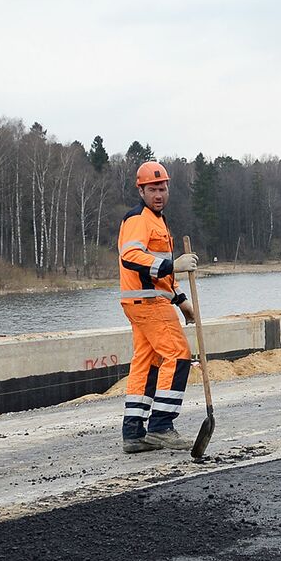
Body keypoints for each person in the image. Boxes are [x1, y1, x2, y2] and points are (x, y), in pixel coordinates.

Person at [115, 160, 199, 452]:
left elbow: (160, 275)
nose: (159, 194)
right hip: (147, 302)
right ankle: (161, 426)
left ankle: (134, 432)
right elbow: (132, 257)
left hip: (146, 300)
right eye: (152, 189)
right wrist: (171, 265)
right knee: (178, 355)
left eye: (162, 188)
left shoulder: (158, 220)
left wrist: (181, 299)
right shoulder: (138, 218)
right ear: (141, 190)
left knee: (146, 363)